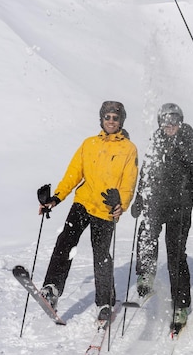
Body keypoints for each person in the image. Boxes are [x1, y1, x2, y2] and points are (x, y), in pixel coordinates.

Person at [38, 101, 138, 322]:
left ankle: (105, 301)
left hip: (105, 209)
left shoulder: (128, 149)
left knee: (101, 255)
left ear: (121, 121)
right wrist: (56, 198)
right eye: (107, 117)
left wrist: (120, 203)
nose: (111, 121)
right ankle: (52, 289)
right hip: (83, 203)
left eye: (115, 117)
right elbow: (74, 173)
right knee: (66, 241)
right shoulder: (89, 144)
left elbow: (129, 182)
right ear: (101, 119)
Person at [130, 103, 193, 329]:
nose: (170, 125)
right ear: (160, 122)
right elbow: (147, 171)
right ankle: (145, 276)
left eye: (174, 120)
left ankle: (181, 305)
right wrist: (140, 197)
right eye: (166, 121)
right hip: (156, 203)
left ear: (180, 121)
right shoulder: (156, 141)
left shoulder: (190, 142)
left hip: (179, 207)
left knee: (176, 254)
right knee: (146, 234)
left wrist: (188, 193)